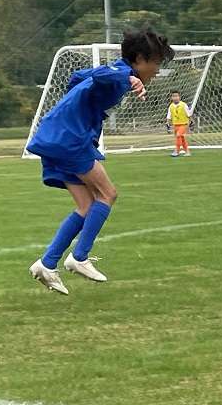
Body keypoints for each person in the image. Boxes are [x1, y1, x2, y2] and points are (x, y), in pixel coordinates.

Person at [26, 28, 175, 294]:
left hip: (58, 134)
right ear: (140, 59)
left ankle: (47, 264)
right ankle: (79, 257)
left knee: (86, 205)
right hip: (69, 138)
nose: (157, 70)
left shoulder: (117, 72)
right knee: (107, 194)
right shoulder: (120, 74)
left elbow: (76, 78)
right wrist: (129, 78)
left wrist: (82, 107)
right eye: (156, 63)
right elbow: (100, 76)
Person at [167, 90, 192, 157]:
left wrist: (191, 122)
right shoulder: (171, 106)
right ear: (171, 98)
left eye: (177, 96)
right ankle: (187, 152)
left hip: (184, 124)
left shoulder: (183, 105)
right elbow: (169, 116)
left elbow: (188, 114)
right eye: (173, 96)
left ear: (179, 97)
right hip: (175, 125)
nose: (175, 98)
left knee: (178, 135)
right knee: (182, 138)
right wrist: (168, 123)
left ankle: (177, 151)